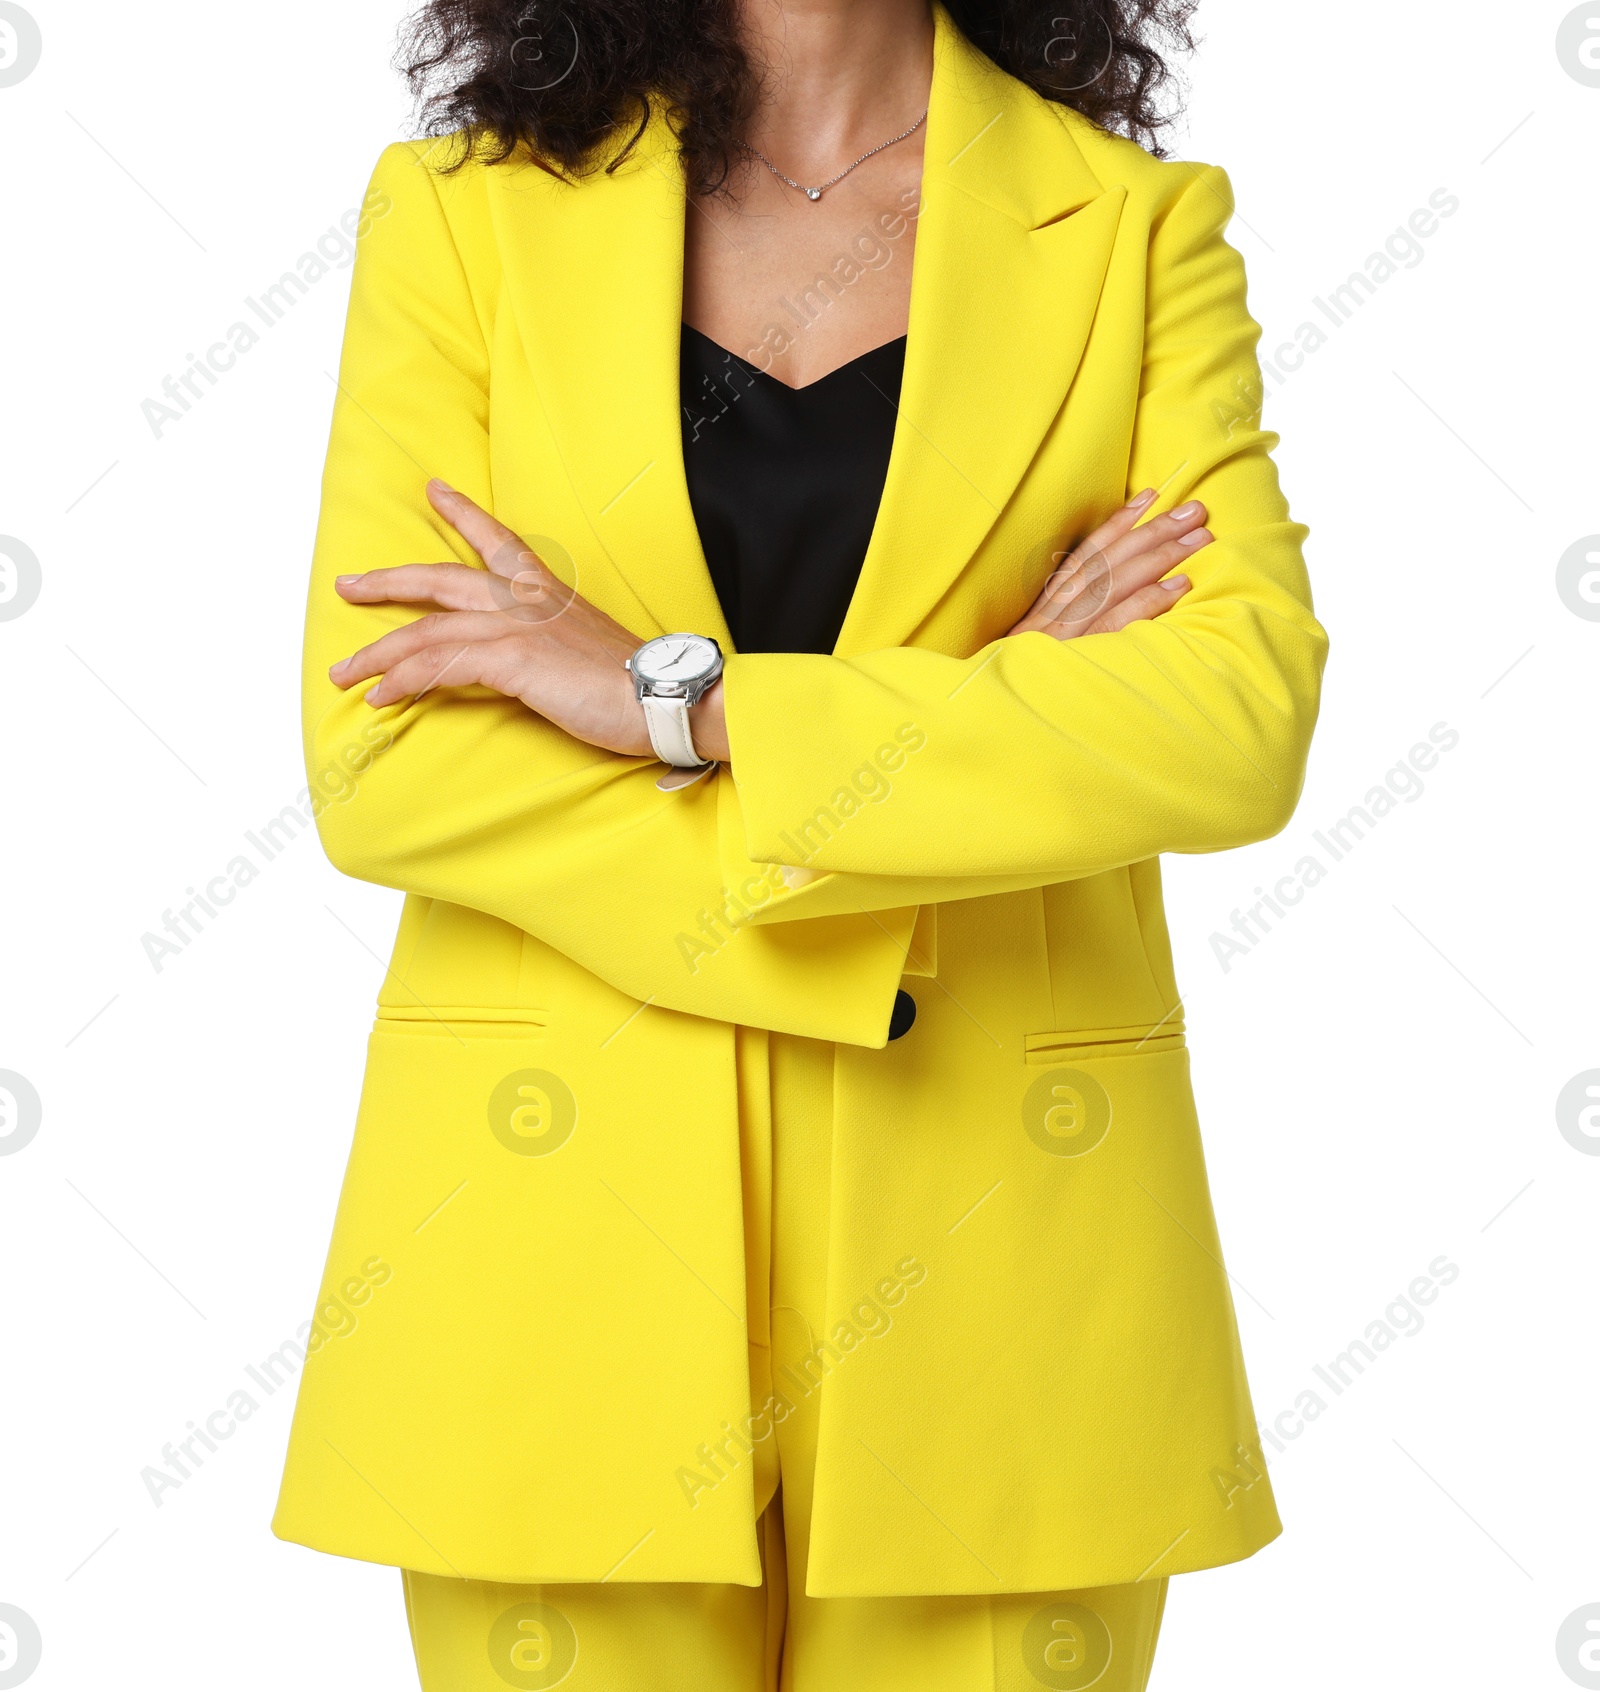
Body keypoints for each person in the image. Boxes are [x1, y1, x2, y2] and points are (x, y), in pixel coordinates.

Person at [273, 0, 1327, 1685]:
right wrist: (987, 723)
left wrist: (669, 709)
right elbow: (388, 756)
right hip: (553, 1266)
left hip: (1006, 1267)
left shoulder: (1134, 227)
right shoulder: (464, 215)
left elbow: (1232, 721)